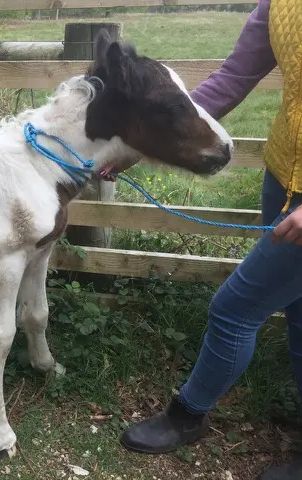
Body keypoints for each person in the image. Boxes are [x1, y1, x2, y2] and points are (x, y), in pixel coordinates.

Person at [118, 1, 302, 479]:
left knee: (236, 308)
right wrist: (150, 141)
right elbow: (232, 79)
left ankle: (187, 416)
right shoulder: (280, 5)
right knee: (299, 310)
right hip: (284, 177)